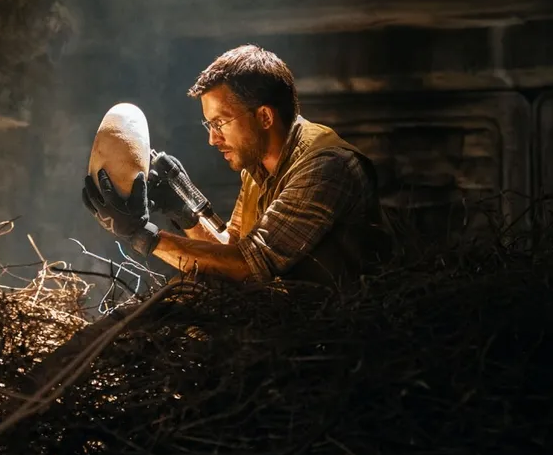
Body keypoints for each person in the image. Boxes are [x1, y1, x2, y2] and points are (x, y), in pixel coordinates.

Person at [82, 44, 392, 286]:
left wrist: (143, 235)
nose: (212, 139)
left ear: (264, 117)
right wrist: (184, 210)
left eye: (220, 123)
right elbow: (229, 250)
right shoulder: (257, 170)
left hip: (340, 331)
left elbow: (248, 267)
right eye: (209, 125)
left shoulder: (327, 167)